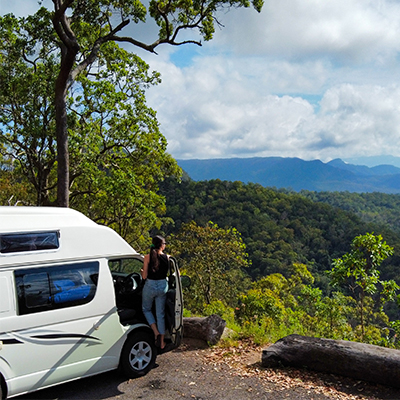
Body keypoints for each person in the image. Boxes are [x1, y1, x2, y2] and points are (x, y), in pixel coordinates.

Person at [141, 235, 169, 349]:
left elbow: (144, 277)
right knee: (160, 314)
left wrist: (142, 271)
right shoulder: (168, 258)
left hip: (150, 285)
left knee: (146, 309)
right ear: (161, 245)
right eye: (164, 244)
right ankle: (162, 342)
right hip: (162, 286)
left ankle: (155, 331)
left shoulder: (147, 257)